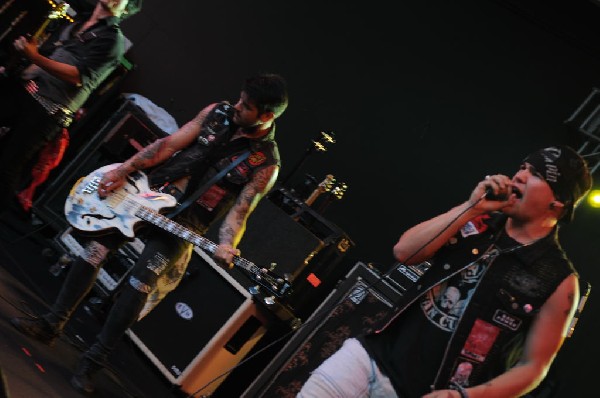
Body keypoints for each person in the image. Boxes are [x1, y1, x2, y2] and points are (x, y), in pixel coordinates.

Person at [10, 72, 289, 394]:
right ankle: (51, 324)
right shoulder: (217, 113)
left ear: (266, 115)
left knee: (139, 283)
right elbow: (168, 145)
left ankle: (93, 360)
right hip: (149, 195)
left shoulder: (265, 163)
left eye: (247, 106)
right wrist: (123, 169)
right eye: (240, 99)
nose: (237, 106)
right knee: (94, 251)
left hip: (186, 223)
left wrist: (227, 245)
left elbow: (239, 214)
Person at [297, 145, 592, 398]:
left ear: (559, 202)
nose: (520, 175)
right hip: (371, 359)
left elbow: (533, 367)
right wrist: (471, 207)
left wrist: (465, 396)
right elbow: (404, 252)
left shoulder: (558, 280)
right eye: (523, 167)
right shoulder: (479, 222)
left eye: (537, 174)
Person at [0, 0, 142, 215]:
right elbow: (52, 55)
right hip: (28, 92)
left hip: (47, 111)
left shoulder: (112, 40)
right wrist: (22, 68)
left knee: (7, 166)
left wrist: (34, 56)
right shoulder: (81, 20)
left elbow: (77, 76)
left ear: (127, 9)